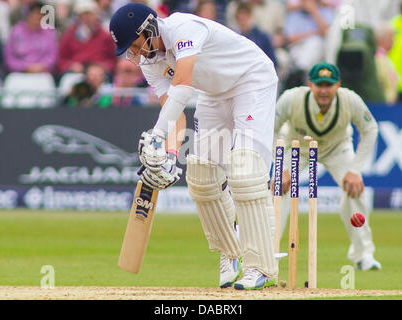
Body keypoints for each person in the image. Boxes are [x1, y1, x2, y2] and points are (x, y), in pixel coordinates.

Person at [110, 2, 279, 290]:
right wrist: (169, 155)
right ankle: (231, 252)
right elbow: (174, 114)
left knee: (245, 171)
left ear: (148, 28)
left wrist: (155, 137)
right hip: (214, 93)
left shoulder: (182, 28)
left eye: (135, 45)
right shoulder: (152, 64)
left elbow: (184, 85)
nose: (135, 54)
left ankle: (260, 265)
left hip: (252, 80)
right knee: (200, 176)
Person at [274, 62, 382, 271]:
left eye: (329, 85)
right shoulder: (291, 98)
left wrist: (355, 170)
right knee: (280, 189)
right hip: (297, 148)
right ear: (310, 85)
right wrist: (280, 169)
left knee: (356, 192)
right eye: (319, 85)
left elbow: (370, 129)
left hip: (337, 149)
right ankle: (270, 254)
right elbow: (272, 130)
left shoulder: (350, 99)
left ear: (338, 85)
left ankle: (363, 255)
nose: (324, 90)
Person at [58, 0, 116, 75]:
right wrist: (71, 65)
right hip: (75, 73)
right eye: (82, 15)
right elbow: (61, 60)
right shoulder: (69, 35)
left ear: (96, 15)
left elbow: (112, 60)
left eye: (89, 14)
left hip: (100, 74)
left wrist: (102, 67)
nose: (86, 17)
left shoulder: (105, 36)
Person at [4, 1, 58, 74]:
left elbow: (52, 56)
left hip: (42, 73)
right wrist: (24, 67)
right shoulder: (16, 32)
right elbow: (9, 57)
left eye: (40, 17)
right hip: (19, 73)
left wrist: (41, 66)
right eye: (35, 16)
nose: (37, 20)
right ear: (28, 16)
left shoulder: (49, 32)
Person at [374, 22, 399, 105]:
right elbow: (382, 83)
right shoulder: (380, 58)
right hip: (384, 104)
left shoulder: (383, 57)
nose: (394, 41)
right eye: (392, 37)